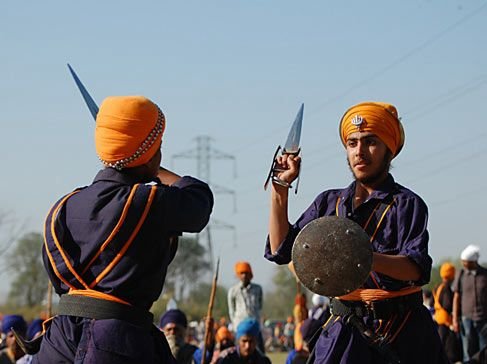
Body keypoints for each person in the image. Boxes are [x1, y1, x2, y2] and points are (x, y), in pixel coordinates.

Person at [34, 95, 214, 363]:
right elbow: (199, 199)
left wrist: (142, 159)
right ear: (152, 153)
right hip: (118, 343)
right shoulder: (149, 202)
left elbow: (59, 279)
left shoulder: (62, 207)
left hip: (58, 344)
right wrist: (153, 166)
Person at [265, 101, 448, 363]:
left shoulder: (407, 203)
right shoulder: (329, 203)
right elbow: (281, 249)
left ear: (389, 149)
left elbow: (416, 270)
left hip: (403, 331)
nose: (359, 152)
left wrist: (362, 257)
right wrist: (280, 189)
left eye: (370, 142)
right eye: (352, 143)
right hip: (344, 331)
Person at [453, 244, 487, 363]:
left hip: (483, 318)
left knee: (484, 349)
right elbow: (456, 297)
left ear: (473, 262)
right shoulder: (461, 274)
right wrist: (455, 319)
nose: (463, 264)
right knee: (468, 350)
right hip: (466, 318)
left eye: (466, 262)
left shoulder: (484, 274)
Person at [227, 261, 264, 351]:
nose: (244, 275)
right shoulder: (233, 290)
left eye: (246, 273)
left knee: (258, 351)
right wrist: (236, 324)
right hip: (240, 325)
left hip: (254, 323)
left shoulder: (258, 289)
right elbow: (231, 310)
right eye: (242, 273)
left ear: (250, 274)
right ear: (238, 275)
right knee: (240, 351)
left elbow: (260, 306)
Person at [433, 262, 462, 363]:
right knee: (449, 349)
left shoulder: (438, 287)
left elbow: (433, 302)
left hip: (438, 320)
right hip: (446, 323)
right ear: (451, 275)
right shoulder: (446, 289)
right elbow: (447, 305)